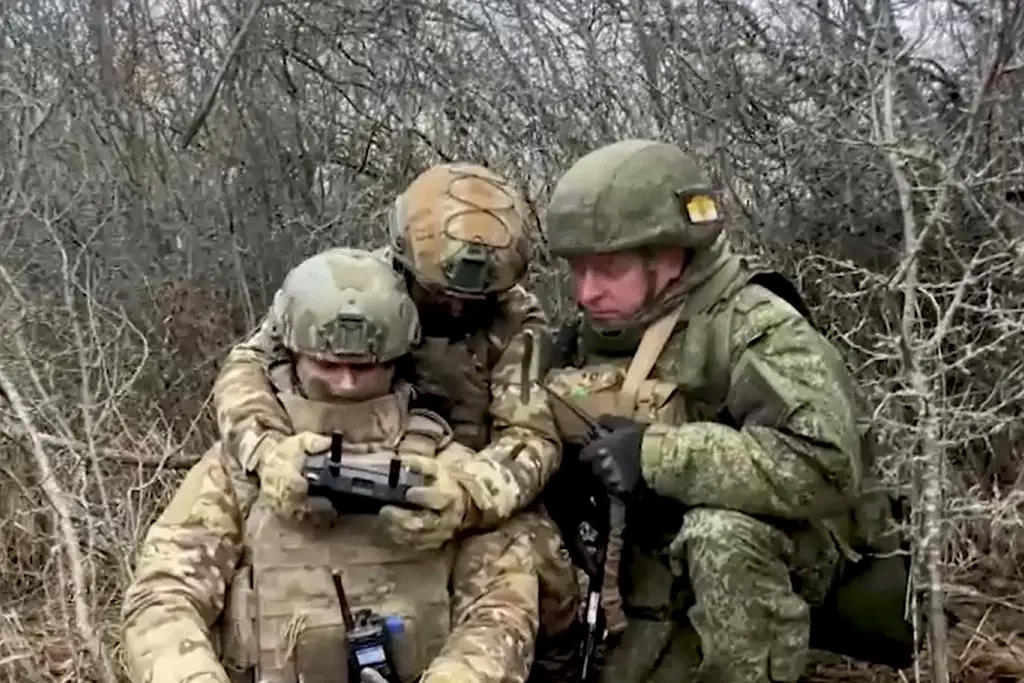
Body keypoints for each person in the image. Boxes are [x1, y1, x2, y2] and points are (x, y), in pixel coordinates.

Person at [541, 139, 908, 683]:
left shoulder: (754, 325)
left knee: (720, 534)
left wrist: (655, 455)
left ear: (670, 254)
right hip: (653, 563)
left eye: (608, 270)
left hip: (785, 551)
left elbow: (826, 463)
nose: (586, 293)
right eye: (578, 270)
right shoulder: (589, 336)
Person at [210, 163, 584, 682]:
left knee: (543, 561)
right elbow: (246, 369)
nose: (456, 307)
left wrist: (465, 497)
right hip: (338, 449)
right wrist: (268, 452)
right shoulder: (349, 290)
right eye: (439, 294)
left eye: (474, 300)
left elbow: (530, 438)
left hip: (463, 474)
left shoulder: (516, 322)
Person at [121, 248, 540, 683]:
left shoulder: (448, 476)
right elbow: (163, 598)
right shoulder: (240, 470)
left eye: (365, 367)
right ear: (292, 354)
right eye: (327, 364)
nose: (346, 384)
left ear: (398, 359)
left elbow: (503, 606)